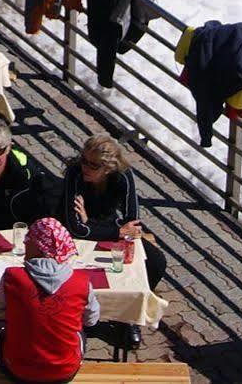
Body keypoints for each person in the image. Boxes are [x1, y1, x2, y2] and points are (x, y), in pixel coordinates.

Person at [58, 132, 166, 337]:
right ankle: (88, 315)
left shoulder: (123, 176)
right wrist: (113, 229)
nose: (85, 168)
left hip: (103, 228)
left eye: (93, 165)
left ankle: (129, 315)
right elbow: (74, 228)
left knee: (156, 262)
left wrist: (91, 223)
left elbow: (132, 222)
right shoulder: (74, 174)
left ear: (108, 168)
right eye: (84, 161)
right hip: (85, 235)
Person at [0, 217, 99, 384]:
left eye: (28, 241)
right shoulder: (82, 281)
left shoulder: (13, 276)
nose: (25, 244)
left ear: (37, 247)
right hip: (64, 372)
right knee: (80, 334)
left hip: (18, 370)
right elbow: (91, 321)